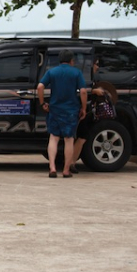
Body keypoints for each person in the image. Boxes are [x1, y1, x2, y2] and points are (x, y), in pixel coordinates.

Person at [38, 50, 87, 178]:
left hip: (54, 109)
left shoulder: (52, 72)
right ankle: (66, 170)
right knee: (69, 140)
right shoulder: (76, 72)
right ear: (71, 60)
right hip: (71, 110)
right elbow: (83, 91)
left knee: (53, 138)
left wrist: (43, 103)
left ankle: (52, 168)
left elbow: (40, 87)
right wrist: (83, 108)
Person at [71, 57, 108, 174]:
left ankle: (70, 162)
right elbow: (81, 91)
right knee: (81, 138)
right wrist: (94, 91)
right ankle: (71, 162)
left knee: (79, 138)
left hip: (85, 111)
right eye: (96, 64)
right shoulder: (84, 77)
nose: (98, 67)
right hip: (84, 111)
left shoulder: (88, 78)